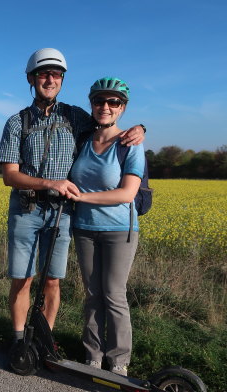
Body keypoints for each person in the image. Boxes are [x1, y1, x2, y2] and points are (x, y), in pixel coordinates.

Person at [0, 48, 145, 348]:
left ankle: (44, 342)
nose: (49, 80)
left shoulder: (75, 116)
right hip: (26, 209)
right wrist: (49, 182)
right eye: (43, 74)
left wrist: (140, 129)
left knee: (52, 280)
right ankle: (19, 339)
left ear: (62, 80)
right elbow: (9, 175)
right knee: (22, 279)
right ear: (31, 78)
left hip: (63, 213)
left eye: (56, 75)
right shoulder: (16, 123)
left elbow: (109, 124)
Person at [66, 77, 145, 376]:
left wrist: (82, 196)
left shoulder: (131, 143)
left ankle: (119, 361)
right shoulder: (83, 139)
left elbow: (127, 193)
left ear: (122, 108)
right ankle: (92, 355)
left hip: (119, 230)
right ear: (92, 104)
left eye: (114, 102)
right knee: (91, 293)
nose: (106, 107)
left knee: (113, 293)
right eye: (100, 101)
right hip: (84, 227)